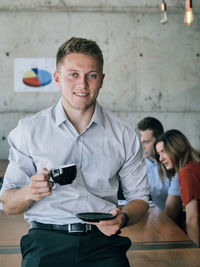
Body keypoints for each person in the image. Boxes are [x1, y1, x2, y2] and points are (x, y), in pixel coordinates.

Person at [0, 37, 149, 267]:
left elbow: (140, 199)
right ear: (57, 78)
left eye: (91, 75)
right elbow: (8, 204)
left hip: (104, 242)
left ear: (101, 80)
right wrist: (30, 191)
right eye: (73, 75)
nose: (83, 85)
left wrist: (124, 217)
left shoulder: (124, 135)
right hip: (45, 241)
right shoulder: (29, 130)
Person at [155, 129, 200, 246]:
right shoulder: (194, 167)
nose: (160, 159)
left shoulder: (187, 172)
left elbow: (193, 219)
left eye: (163, 152)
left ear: (176, 148)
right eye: (159, 154)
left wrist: (195, 254)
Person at [137, 117, 182, 222]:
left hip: (169, 222)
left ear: (159, 140)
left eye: (146, 142)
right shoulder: (139, 163)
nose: (141, 147)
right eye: (140, 142)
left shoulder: (170, 165)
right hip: (145, 220)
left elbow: (171, 212)